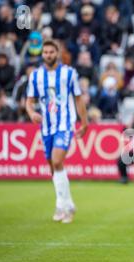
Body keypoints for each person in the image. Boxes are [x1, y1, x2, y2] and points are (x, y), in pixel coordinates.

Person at [26, 39, 88, 224]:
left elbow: (78, 99)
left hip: (64, 124)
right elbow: (29, 100)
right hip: (46, 126)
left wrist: (84, 123)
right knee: (53, 167)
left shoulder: (69, 73)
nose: (48, 55)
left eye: (51, 52)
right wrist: (31, 113)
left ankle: (61, 205)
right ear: (42, 54)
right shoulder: (35, 75)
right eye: (45, 52)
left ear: (58, 53)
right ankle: (67, 203)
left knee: (57, 160)